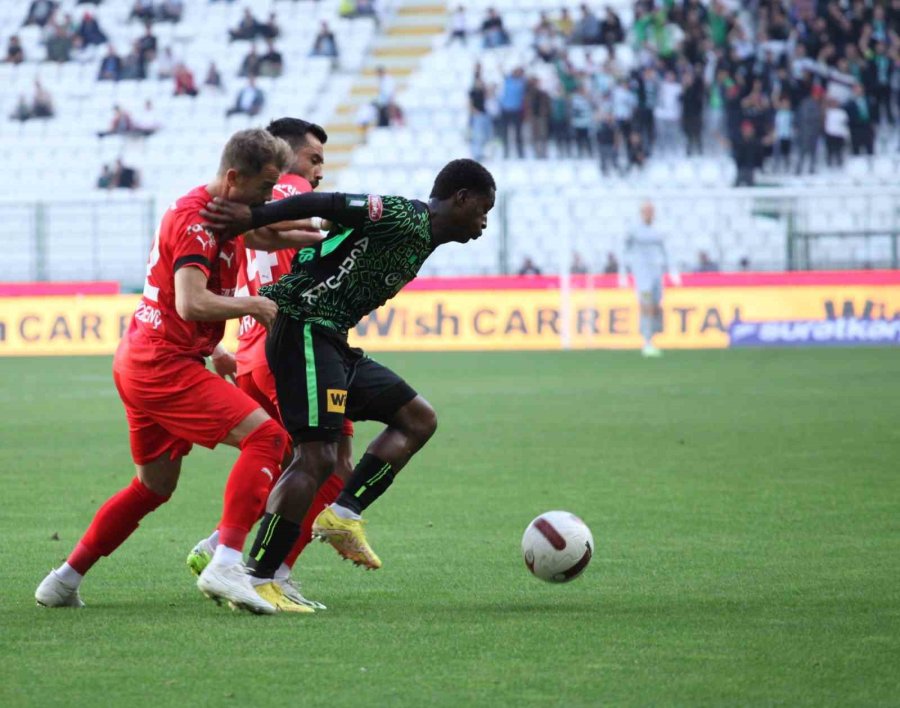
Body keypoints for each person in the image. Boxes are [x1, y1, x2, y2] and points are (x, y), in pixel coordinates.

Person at [35, 129, 296, 614]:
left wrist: (212, 350)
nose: (266, 199)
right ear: (234, 177)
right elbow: (191, 301)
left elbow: (266, 232)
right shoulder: (197, 222)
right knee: (269, 440)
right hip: (161, 365)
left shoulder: (218, 212)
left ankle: (63, 581)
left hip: (144, 357)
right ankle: (226, 561)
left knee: (152, 487)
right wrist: (253, 306)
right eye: (264, 188)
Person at [199, 159, 496, 583]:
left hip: (332, 339)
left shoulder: (424, 240)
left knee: (417, 419)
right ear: (461, 198)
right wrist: (253, 217)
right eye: (483, 209)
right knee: (315, 456)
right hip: (303, 325)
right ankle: (259, 576)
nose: (484, 223)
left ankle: (342, 513)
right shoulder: (404, 215)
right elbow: (332, 203)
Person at [185, 118, 353, 612]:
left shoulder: (249, 205)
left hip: (252, 350)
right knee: (333, 466)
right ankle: (268, 573)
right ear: (287, 155)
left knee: (284, 461)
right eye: (313, 159)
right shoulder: (292, 188)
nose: (317, 174)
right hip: (292, 346)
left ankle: (222, 545)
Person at [622, 201, 679, 357]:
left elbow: (666, 251)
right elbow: (624, 250)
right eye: (646, 211)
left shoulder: (658, 231)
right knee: (645, 305)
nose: (649, 213)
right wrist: (624, 273)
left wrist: (672, 271)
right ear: (641, 213)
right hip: (642, 277)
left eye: (651, 211)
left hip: (656, 275)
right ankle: (646, 342)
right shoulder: (634, 231)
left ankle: (652, 337)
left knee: (655, 306)